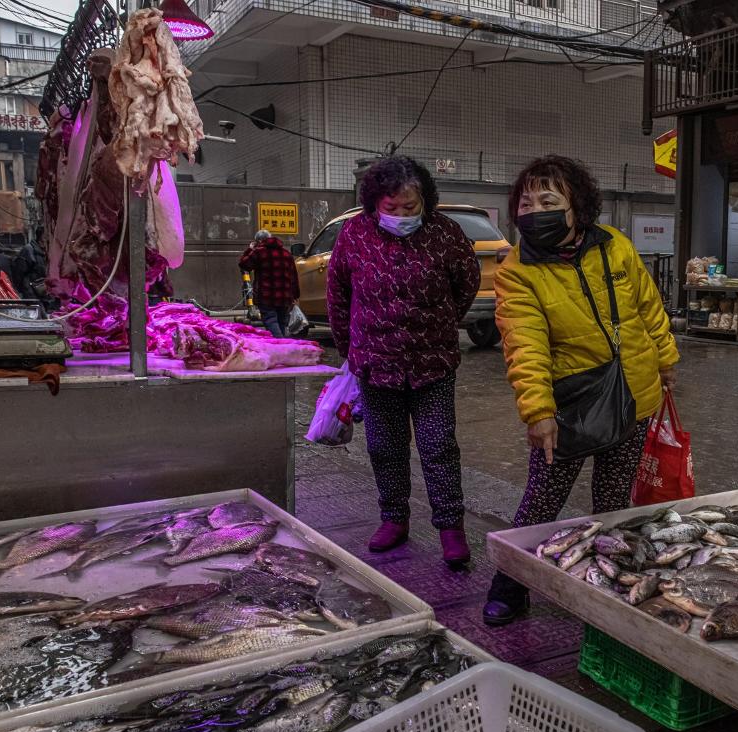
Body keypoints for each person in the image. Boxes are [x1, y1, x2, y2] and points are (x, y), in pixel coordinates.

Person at [483, 155, 680, 626]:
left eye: (549, 201)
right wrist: (537, 411)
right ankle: (510, 586)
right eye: (526, 203)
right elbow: (524, 344)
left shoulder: (615, 246)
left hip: (632, 396)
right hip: (568, 406)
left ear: (578, 208)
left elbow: (648, 307)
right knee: (541, 502)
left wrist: (666, 359)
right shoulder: (517, 271)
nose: (535, 211)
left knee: (613, 503)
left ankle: (606, 582)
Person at [327, 155, 481, 565]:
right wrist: (349, 348)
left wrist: (442, 323)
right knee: (384, 447)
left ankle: (450, 527)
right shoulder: (353, 235)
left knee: (438, 447)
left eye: (409, 208)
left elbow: (467, 284)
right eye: (390, 208)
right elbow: (338, 295)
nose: (399, 215)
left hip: (433, 364)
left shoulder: (445, 234)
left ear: (425, 201)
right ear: (374, 202)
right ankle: (394, 518)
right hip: (375, 364)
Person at [238, 229, 299, 338]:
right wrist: (295, 295)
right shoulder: (286, 253)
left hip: (266, 296)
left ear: (259, 241)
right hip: (284, 297)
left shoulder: (258, 252)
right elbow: (293, 276)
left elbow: (243, 264)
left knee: (271, 321)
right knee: (282, 322)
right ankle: (283, 347)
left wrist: (249, 249)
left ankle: (280, 344)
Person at [10, 230, 48, 300]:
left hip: (44, 291)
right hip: (31, 292)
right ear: (42, 237)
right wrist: (19, 290)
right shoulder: (28, 250)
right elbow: (19, 272)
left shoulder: (48, 250)